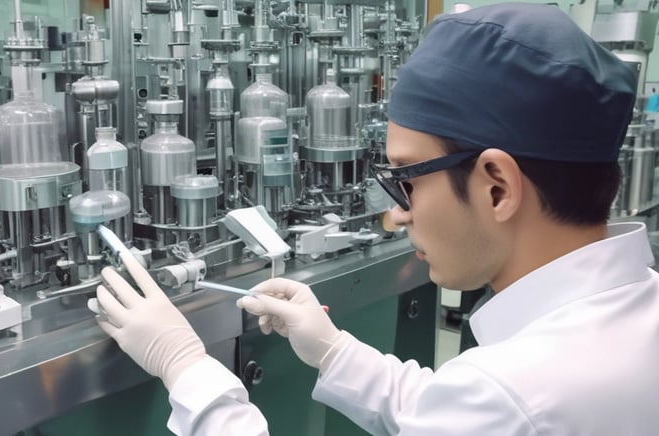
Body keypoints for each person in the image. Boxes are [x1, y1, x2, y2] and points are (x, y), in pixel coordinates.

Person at [93, 3, 659, 435]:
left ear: (497, 187)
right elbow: (445, 415)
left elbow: (489, 408)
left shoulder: (517, 394)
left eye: (407, 179)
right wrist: (335, 350)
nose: (395, 211)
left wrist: (187, 367)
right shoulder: (633, 316)